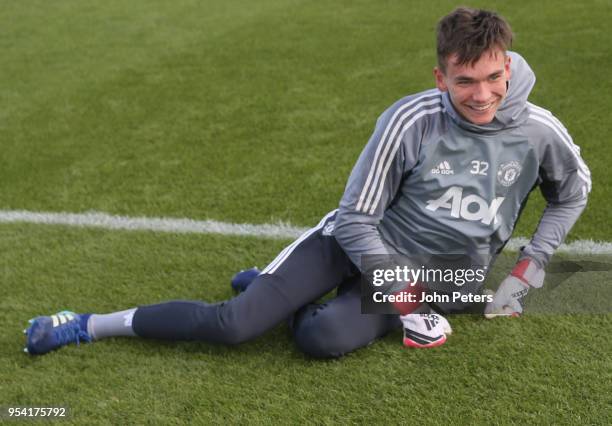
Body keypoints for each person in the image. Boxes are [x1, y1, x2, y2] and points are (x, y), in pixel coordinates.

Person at [24, 7, 590, 357]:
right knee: (234, 327)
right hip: (350, 245)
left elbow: (573, 190)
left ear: (508, 67)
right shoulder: (410, 120)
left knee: (321, 340)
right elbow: (355, 218)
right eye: (465, 81)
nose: (483, 95)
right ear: (440, 77)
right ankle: (87, 326)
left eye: (494, 77)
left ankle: (271, 289)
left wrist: (532, 262)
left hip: (435, 277)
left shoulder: (540, 131)